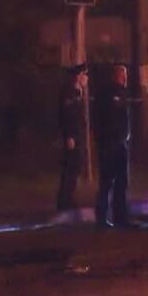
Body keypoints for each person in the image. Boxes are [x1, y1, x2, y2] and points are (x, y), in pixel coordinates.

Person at [94, 64, 131, 228]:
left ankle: (119, 217)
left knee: (121, 183)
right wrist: (109, 139)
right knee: (107, 182)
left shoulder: (121, 93)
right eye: (123, 76)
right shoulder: (108, 94)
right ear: (116, 76)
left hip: (120, 144)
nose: (125, 79)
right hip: (110, 145)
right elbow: (105, 120)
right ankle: (103, 218)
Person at [56, 65, 88, 215]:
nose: (87, 79)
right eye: (84, 75)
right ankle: (64, 201)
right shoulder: (69, 92)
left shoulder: (78, 92)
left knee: (75, 167)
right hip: (72, 137)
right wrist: (69, 136)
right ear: (79, 76)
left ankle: (69, 198)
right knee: (70, 168)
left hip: (78, 135)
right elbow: (67, 115)